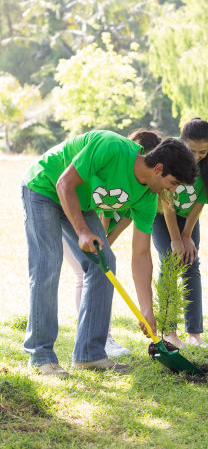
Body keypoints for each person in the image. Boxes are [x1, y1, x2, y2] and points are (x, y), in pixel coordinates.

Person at [21, 130, 198, 378]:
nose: (172, 190)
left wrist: (146, 310)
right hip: (44, 186)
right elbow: (64, 183)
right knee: (47, 265)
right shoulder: (110, 147)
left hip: (79, 202)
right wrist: (82, 231)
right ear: (159, 168)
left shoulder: (148, 196)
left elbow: (141, 255)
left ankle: (89, 355)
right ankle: (41, 356)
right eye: (173, 183)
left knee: (105, 264)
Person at [62, 129, 163, 358]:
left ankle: (100, 338)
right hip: (72, 215)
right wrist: (97, 240)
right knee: (85, 274)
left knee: (101, 268)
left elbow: (129, 224)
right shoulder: (111, 163)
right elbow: (101, 210)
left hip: (93, 230)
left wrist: (106, 243)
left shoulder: (142, 194)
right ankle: (100, 339)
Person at [152, 118, 208, 347]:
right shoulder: (172, 158)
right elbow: (167, 203)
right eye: (192, 150)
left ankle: (194, 333)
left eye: (203, 151)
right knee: (170, 262)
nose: (197, 156)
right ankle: (168, 331)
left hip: (189, 217)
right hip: (162, 215)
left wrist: (187, 235)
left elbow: (201, 199)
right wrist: (175, 239)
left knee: (191, 263)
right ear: (182, 143)